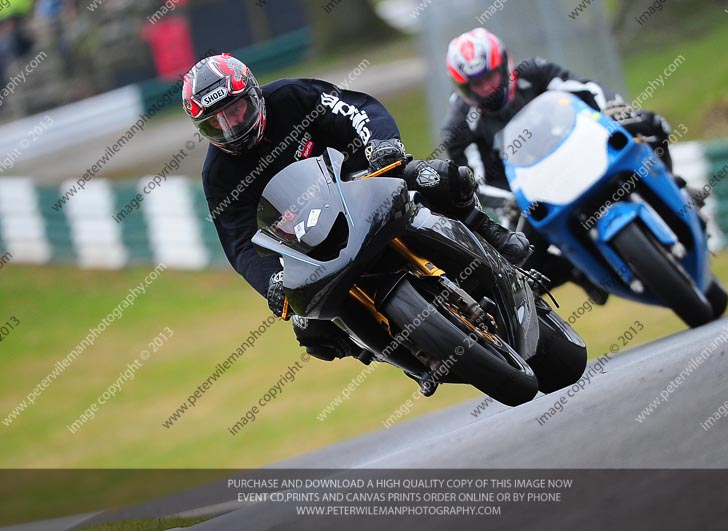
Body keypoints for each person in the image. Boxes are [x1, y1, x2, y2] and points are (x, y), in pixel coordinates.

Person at [183, 53, 530, 364]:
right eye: (217, 122)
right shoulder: (218, 175)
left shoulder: (290, 96)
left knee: (433, 176)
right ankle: (379, 346)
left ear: (253, 94)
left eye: (236, 110)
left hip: (361, 179)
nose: (232, 126)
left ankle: (489, 231)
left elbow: (356, 109)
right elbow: (240, 242)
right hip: (308, 239)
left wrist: (382, 144)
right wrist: (272, 281)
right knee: (310, 329)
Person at [442, 28, 694, 301]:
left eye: (490, 77)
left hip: (578, 152)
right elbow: (474, 182)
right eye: (476, 84)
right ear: (463, 88)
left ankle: (674, 188)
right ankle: (577, 270)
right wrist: (509, 201)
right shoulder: (458, 127)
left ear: (504, 65)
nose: (487, 88)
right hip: (527, 194)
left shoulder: (533, 71)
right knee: (517, 262)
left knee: (650, 125)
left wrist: (613, 108)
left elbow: (585, 88)